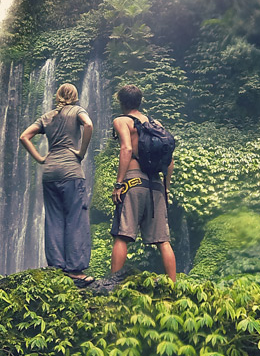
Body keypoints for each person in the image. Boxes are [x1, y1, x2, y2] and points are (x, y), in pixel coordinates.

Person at [20, 83, 94, 283]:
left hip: (50, 173)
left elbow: (24, 136)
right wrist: (81, 152)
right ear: (75, 97)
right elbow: (88, 125)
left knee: (54, 219)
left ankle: (56, 267)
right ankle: (76, 270)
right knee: (75, 219)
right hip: (71, 172)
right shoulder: (77, 111)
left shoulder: (47, 117)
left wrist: (41, 159)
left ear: (57, 96)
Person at [110, 84, 176, 282]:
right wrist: (166, 188)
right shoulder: (156, 125)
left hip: (134, 182)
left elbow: (126, 149)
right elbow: (170, 159)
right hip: (156, 184)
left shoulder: (122, 121)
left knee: (122, 236)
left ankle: (112, 285)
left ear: (121, 102)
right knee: (163, 241)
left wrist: (119, 183)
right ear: (140, 101)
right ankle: (174, 286)